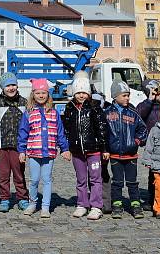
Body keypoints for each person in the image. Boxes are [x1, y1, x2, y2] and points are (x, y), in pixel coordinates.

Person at [17, 79, 71, 218]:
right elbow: (23, 133)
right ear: (33, 94)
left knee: (47, 179)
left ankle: (45, 206)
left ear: (48, 94)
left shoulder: (54, 113)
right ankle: (32, 203)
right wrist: (21, 151)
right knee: (34, 179)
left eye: (44, 93)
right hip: (34, 152)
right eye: (38, 93)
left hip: (49, 152)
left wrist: (65, 149)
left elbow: (60, 132)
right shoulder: (29, 113)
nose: (41, 95)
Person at [62, 74, 108, 220]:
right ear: (74, 93)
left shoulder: (94, 107)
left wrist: (104, 148)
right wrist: (67, 148)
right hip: (77, 151)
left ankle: (96, 206)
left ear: (88, 93)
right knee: (81, 179)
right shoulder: (70, 108)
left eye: (84, 92)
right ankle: (82, 204)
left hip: (93, 150)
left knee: (95, 179)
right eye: (78, 92)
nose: (81, 95)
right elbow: (67, 129)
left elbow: (102, 128)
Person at [104, 77, 147, 219]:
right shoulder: (107, 113)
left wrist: (136, 141)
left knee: (132, 181)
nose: (127, 98)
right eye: (124, 95)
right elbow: (103, 132)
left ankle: (135, 204)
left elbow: (143, 129)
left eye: (128, 95)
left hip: (131, 155)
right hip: (115, 155)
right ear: (115, 96)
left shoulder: (133, 113)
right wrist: (106, 148)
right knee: (117, 181)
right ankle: (117, 204)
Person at [0, 72, 30, 212]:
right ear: (3, 88)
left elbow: (30, 125)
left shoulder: (24, 103)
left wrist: (27, 145)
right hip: (3, 147)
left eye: (13, 85)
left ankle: (22, 198)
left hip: (19, 146)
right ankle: (4, 198)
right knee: (3, 174)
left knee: (19, 174)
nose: (11, 88)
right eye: (8, 86)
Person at [136, 79, 160, 209]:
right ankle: (152, 198)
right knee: (153, 173)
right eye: (156, 92)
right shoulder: (145, 105)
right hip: (152, 146)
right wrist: (149, 100)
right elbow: (139, 115)